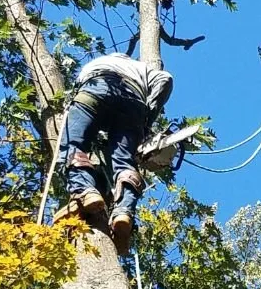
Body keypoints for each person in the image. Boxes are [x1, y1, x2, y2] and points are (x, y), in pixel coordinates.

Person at [54, 53, 173, 252]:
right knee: (125, 162)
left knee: (73, 145)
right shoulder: (141, 69)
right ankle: (123, 212)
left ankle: (84, 192)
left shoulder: (95, 64)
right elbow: (165, 79)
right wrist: (147, 118)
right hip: (133, 102)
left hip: (95, 89)